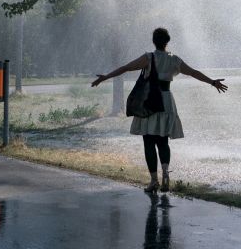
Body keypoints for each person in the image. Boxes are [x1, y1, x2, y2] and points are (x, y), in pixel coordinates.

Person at [92, 27, 228, 193]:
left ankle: (153, 181)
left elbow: (126, 68)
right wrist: (212, 82)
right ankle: (165, 174)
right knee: (163, 141)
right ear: (167, 41)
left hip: (150, 101)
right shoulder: (174, 60)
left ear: (154, 41)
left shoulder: (149, 58)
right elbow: (193, 73)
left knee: (149, 141)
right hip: (166, 101)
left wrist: (105, 77)